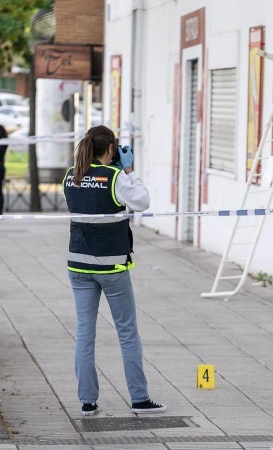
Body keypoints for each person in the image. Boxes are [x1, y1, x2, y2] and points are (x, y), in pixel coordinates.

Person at [62, 125, 166, 416]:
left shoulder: (70, 175)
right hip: (111, 267)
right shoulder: (116, 177)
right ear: (110, 149)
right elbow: (142, 202)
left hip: (78, 264)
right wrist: (129, 169)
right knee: (127, 332)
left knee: (84, 332)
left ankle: (87, 401)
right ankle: (140, 399)